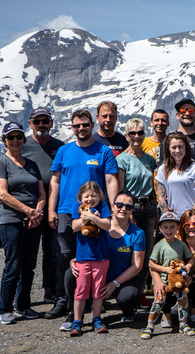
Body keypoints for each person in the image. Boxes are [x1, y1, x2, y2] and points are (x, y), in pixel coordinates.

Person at [46, 109, 118, 319]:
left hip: (96, 214)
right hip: (67, 211)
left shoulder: (103, 151)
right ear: (72, 127)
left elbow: (111, 180)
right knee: (66, 259)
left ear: (91, 125)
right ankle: (64, 302)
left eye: (85, 125)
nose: (81, 129)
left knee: (94, 258)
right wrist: (51, 209)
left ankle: (92, 300)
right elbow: (55, 181)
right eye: (77, 125)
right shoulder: (63, 151)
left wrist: (113, 208)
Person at [61, 190, 146, 331]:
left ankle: (127, 311)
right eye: (119, 205)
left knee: (128, 296)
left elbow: (137, 266)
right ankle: (74, 315)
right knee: (71, 274)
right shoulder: (100, 224)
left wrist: (115, 283)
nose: (123, 209)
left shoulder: (137, 233)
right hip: (96, 271)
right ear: (112, 206)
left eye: (128, 207)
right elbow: (86, 246)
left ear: (132, 210)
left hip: (120, 280)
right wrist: (74, 260)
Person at [0, 122, 46, 324]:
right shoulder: (0, 163)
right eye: (11, 137)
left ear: (23, 139)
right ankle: (5, 308)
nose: (15, 141)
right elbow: (3, 194)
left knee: (29, 265)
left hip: (33, 220)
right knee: (13, 265)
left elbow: (41, 192)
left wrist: (38, 212)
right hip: (12, 221)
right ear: (5, 140)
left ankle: (23, 305)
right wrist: (28, 211)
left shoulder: (31, 164)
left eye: (18, 137)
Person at [21, 107, 65, 303]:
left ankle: (51, 290)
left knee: (53, 251)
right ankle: (22, 297)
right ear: (30, 124)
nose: (41, 125)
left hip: (53, 207)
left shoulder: (60, 147)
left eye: (44, 121)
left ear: (51, 123)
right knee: (27, 253)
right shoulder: (21, 145)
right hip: (29, 208)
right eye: (37, 122)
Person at [141, 211, 195, 338]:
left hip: (178, 280)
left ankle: (183, 324)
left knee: (183, 299)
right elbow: (151, 264)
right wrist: (165, 270)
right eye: (165, 227)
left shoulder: (181, 245)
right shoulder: (159, 245)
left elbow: (191, 259)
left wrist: (188, 266)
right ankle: (150, 325)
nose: (169, 230)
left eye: (172, 226)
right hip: (163, 281)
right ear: (160, 228)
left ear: (178, 228)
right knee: (158, 301)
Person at [117, 118, 158, 285]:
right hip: (131, 207)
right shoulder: (121, 159)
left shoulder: (150, 160)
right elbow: (120, 189)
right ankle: (127, 288)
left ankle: (141, 289)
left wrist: (156, 209)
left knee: (147, 249)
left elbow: (152, 185)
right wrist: (127, 211)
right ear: (126, 136)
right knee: (130, 249)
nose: (136, 136)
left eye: (140, 133)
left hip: (149, 206)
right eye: (132, 133)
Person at [69, 182, 112, 336]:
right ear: (80, 198)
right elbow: (74, 227)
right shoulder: (77, 208)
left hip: (101, 257)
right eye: (86, 196)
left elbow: (107, 225)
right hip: (83, 257)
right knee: (80, 290)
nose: (90, 198)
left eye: (94, 195)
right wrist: (85, 219)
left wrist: (93, 216)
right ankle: (77, 320)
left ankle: (97, 318)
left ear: (99, 196)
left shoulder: (103, 207)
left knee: (98, 291)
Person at [155, 132, 195, 220]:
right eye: (174, 147)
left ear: (186, 148)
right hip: (174, 219)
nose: (177, 151)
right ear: (168, 149)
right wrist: (167, 213)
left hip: (193, 219)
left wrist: (193, 216)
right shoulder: (163, 169)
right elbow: (161, 197)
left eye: (180, 147)